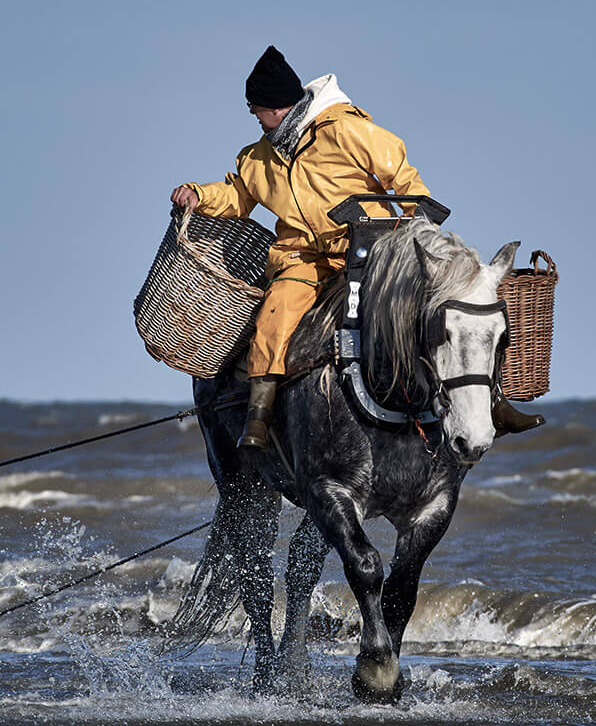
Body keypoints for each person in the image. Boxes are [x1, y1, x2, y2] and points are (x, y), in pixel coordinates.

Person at [172, 46, 544, 452]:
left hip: (370, 248)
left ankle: (494, 401)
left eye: (256, 109)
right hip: (304, 259)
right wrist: (198, 194)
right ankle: (259, 418)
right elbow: (238, 196)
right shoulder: (257, 158)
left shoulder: (345, 130)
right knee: (274, 317)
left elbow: (403, 176)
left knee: (444, 313)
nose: (254, 118)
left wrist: (413, 215)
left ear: (277, 107)